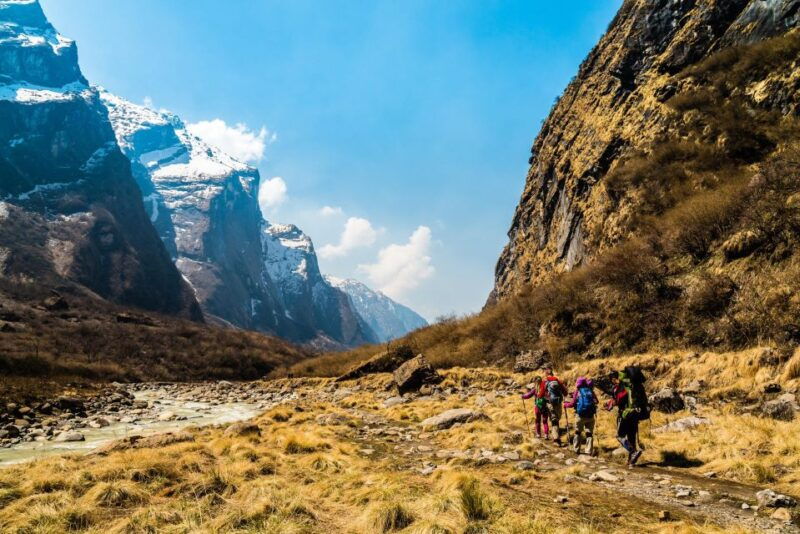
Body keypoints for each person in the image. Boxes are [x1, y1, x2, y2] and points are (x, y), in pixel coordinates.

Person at [605, 370, 643, 467]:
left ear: (614, 378)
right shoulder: (633, 386)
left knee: (620, 436)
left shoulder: (621, 386)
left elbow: (619, 399)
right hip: (635, 413)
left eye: (611, 380)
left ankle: (633, 451)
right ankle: (631, 462)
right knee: (631, 438)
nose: (611, 382)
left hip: (625, 414)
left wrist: (610, 404)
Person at [564, 377, 598, 455]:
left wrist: (566, 405)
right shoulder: (590, 391)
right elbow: (596, 401)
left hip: (580, 415)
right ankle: (588, 451)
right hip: (590, 416)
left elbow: (572, 403)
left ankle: (576, 449)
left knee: (578, 432)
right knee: (589, 433)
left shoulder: (578, 391)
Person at [543, 367, 567, 445]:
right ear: (552, 373)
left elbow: (541, 393)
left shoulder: (545, 381)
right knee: (557, 418)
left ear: (546, 374)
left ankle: (556, 439)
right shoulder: (557, 380)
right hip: (558, 402)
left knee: (554, 420)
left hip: (550, 403)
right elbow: (565, 392)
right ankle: (557, 437)